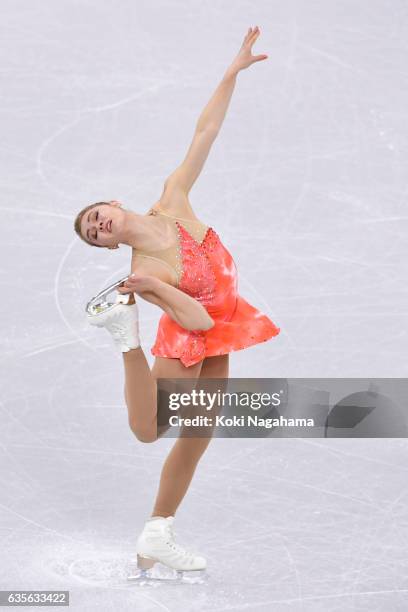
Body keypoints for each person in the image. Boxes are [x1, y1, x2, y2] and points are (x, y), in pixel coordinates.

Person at [73, 26, 280, 577]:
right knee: (150, 429)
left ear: (114, 205)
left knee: (199, 434)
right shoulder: (144, 271)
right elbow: (194, 317)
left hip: (219, 329)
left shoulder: (174, 198)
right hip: (190, 335)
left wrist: (231, 72)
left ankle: (156, 534)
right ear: (110, 245)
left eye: (97, 216)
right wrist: (158, 291)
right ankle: (125, 339)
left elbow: (205, 131)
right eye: (96, 234)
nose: (99, 226)